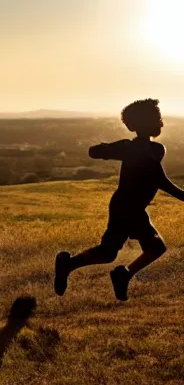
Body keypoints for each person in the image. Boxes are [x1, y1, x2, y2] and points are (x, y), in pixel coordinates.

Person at [54, 98, 184, 300]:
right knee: (148, 248)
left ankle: (72, 264)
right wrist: (108, 149)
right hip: (126, 207)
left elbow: (156, 178)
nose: (161, 123)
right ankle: (118, 273)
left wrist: (110, 149)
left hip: (130, 207)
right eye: (156, 118)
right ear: (142, 124)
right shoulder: (137, 149)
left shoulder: (154, 150)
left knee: (110, 253)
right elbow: (161, 181)